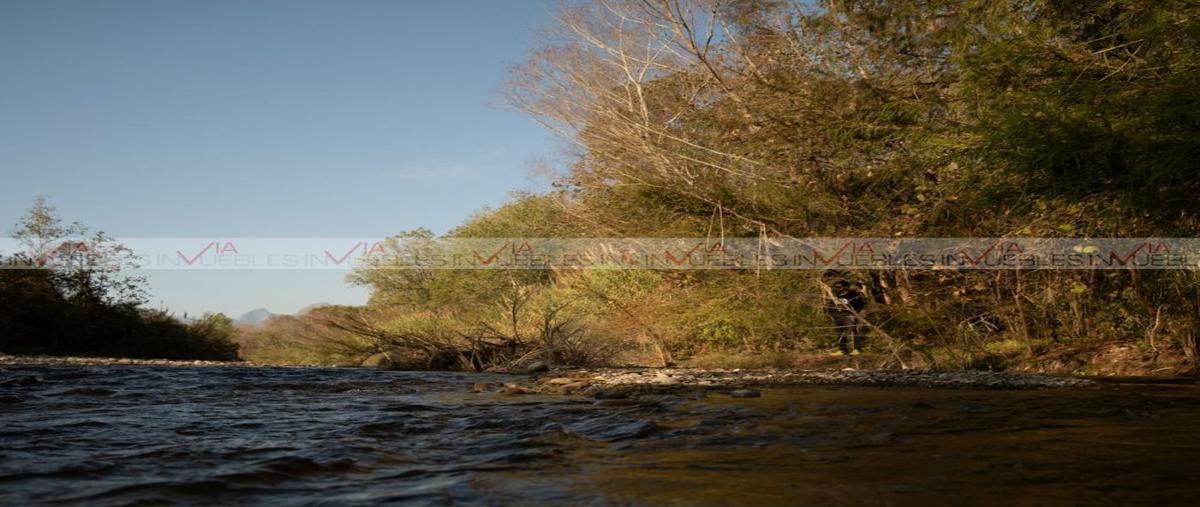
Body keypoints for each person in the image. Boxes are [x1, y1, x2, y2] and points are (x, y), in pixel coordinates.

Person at [826, 280, 867, 355]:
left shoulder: (854, 295)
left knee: (852, 331)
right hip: (839, 316)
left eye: (839, 287)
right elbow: (830, 306)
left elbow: (861, 305)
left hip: (850, 315)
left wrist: (855, 313)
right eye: (836, 287)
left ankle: (857, 349)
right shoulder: (837, 296)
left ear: (846, 287)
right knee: (840, 333)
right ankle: (842, 350)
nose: (837, 288)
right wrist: (832, 314)